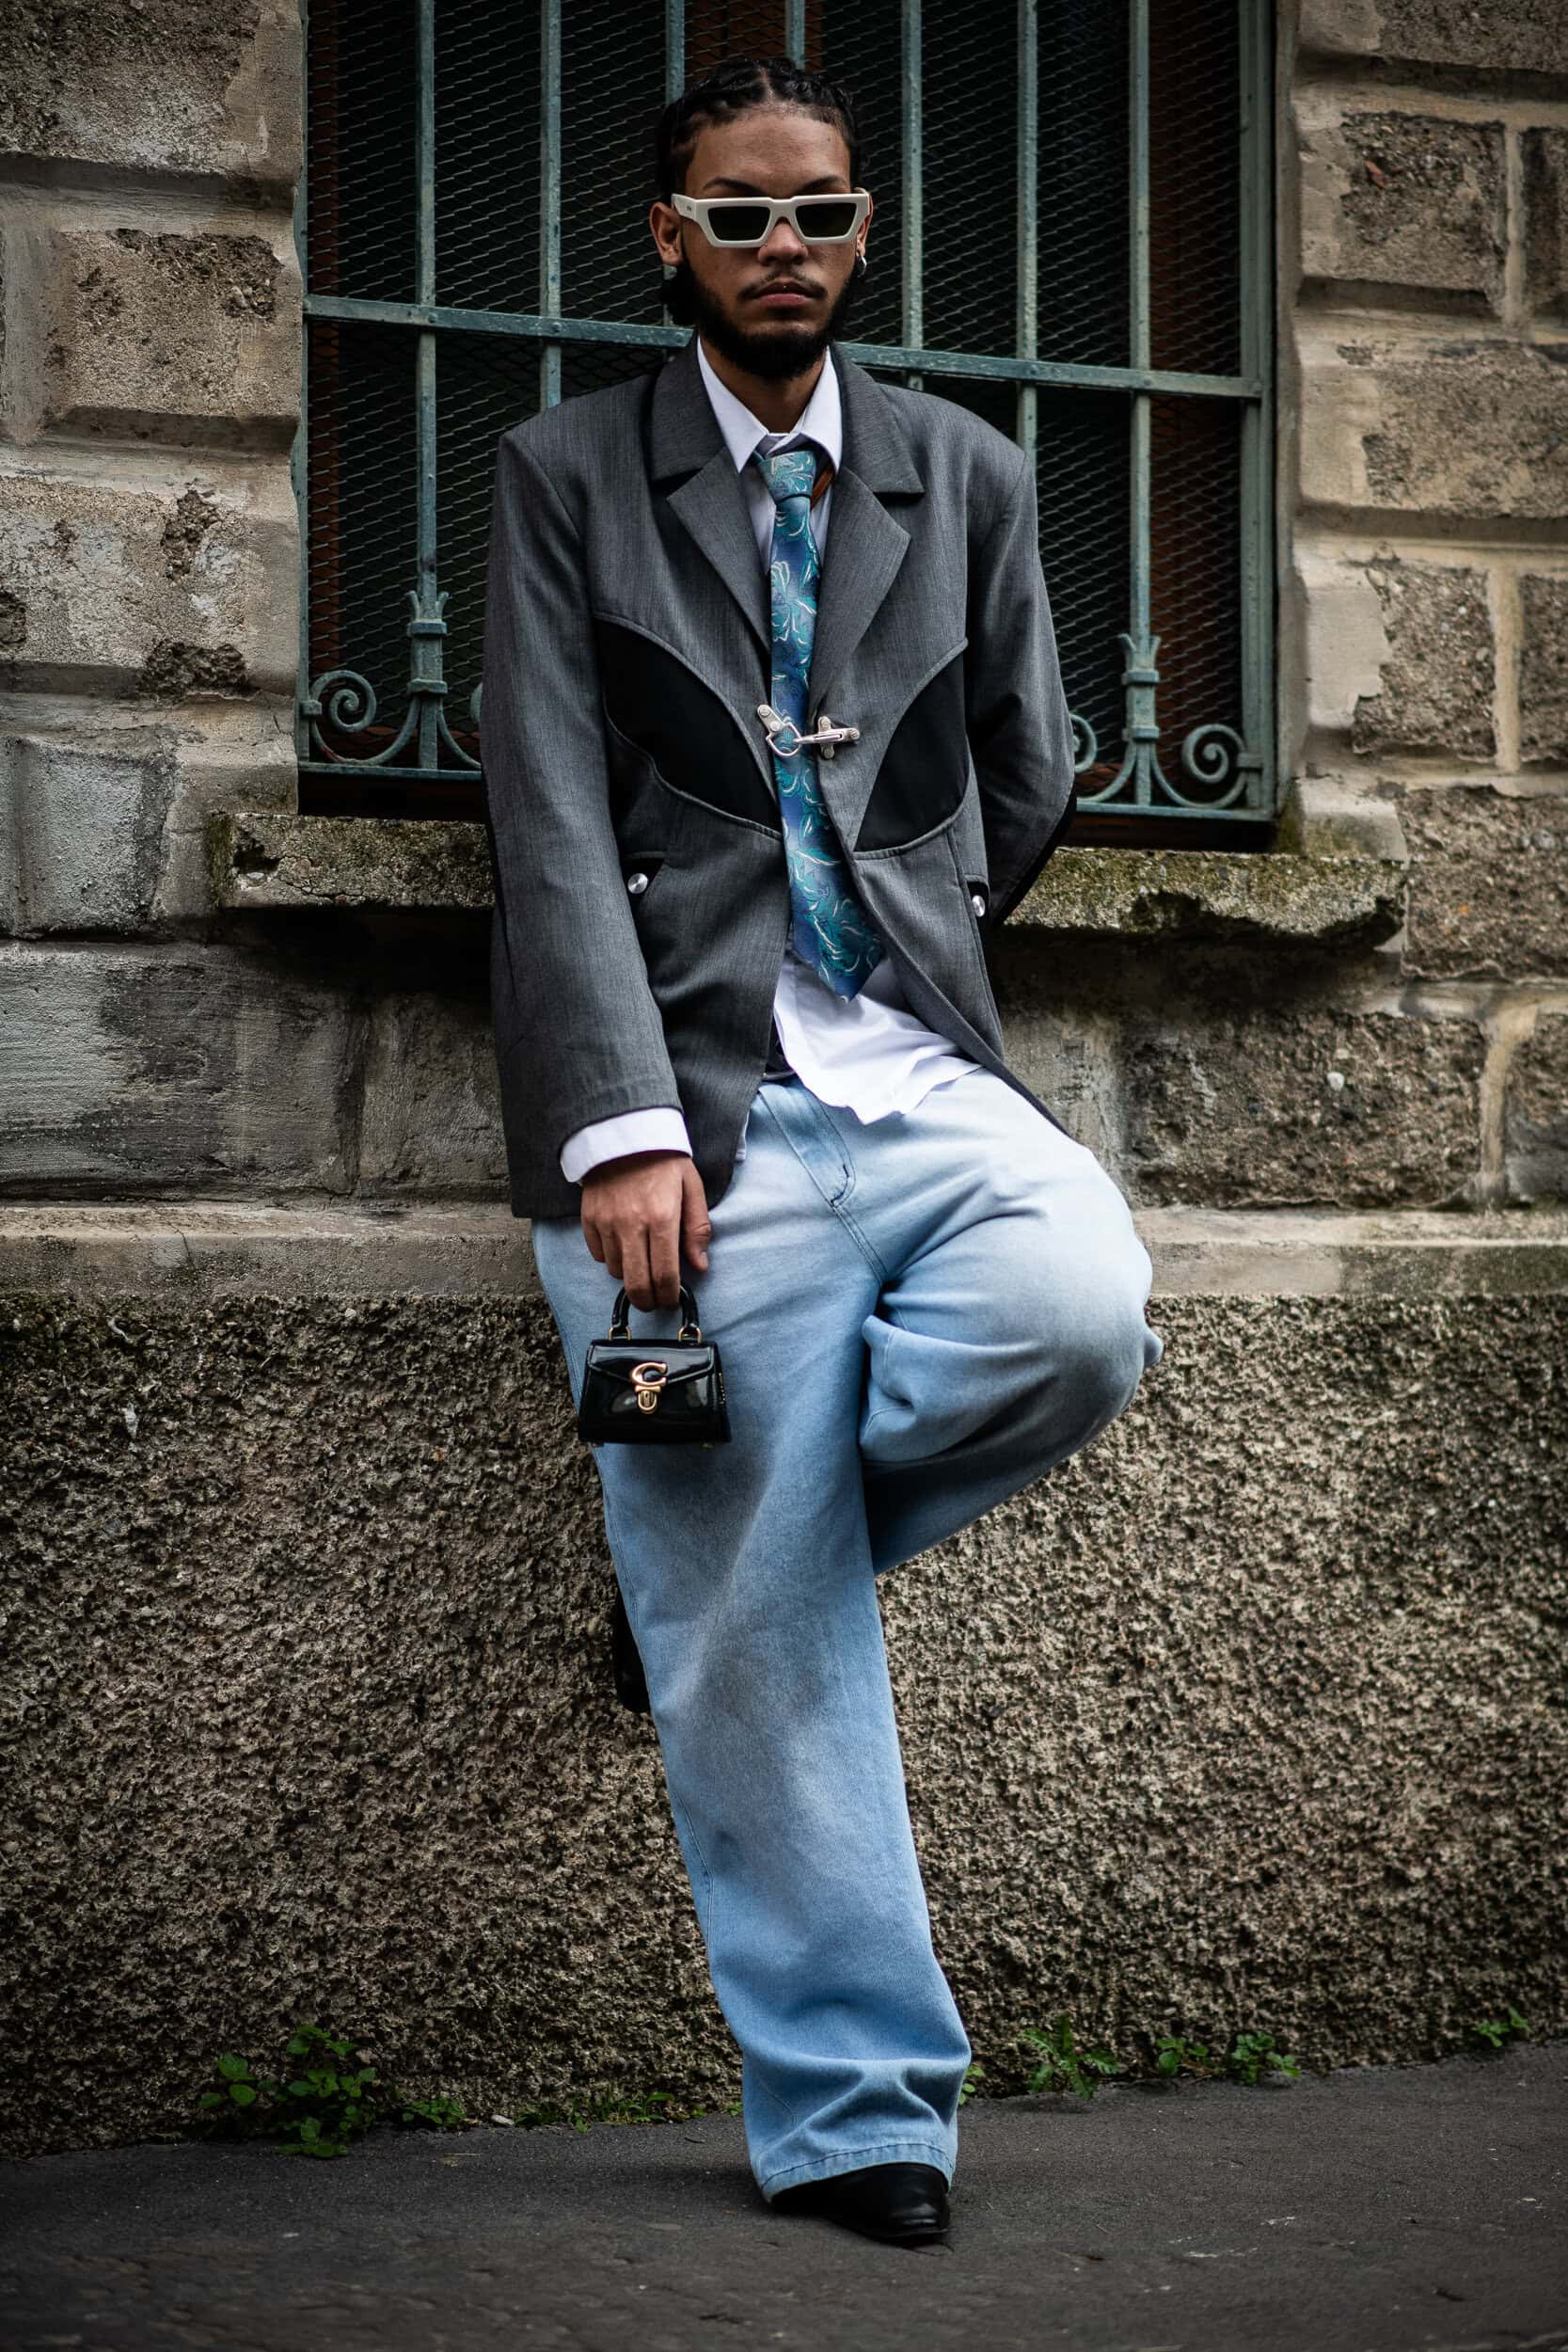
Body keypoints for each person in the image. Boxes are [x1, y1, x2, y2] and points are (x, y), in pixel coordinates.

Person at [479, 53, 1164, 2251]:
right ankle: (863, 2106)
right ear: (668, 236)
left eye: (823, 211)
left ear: (868, 232)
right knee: (751, 1611)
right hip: (684, 1106)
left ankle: (703, 1598)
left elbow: (1027, 770)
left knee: (1081, 1308)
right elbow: (545, 816)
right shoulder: (566, 472)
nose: (787, 248)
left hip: (920, 1066)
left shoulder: (965, 470)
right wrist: (617, 1124)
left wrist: (912, 916)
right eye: (742, 213)